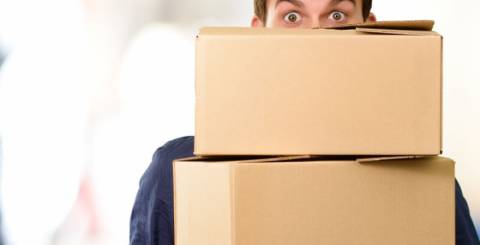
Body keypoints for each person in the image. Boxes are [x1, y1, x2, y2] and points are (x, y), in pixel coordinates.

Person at [130, 0, 480, 244]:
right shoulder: (177, 174)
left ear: (372, 33)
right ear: (258, 34)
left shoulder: (423, 178)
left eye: (338, 16)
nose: (316, 33)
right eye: (293, 17)